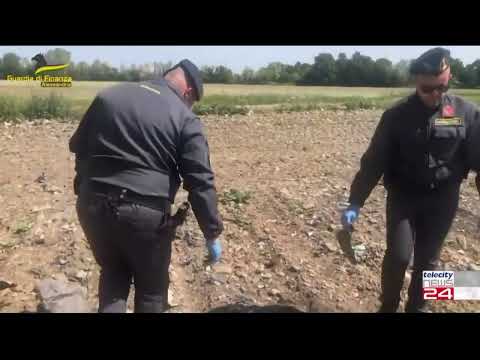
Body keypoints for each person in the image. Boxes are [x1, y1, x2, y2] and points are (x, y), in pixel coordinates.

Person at [69, 59, 224, 313]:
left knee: (113, 274)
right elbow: (200, 181)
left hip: (92, 206)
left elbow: (78, 146)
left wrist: (85, 188)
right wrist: (211, 233)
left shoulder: (109, 96)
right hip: (144, 215)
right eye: (192, 100)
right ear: (188, 92)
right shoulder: (185, 117)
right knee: (152, 291)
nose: (190, 105)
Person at [341, 48, 480, 312]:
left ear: (449, 78)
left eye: (442, 87)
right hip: (404, 196)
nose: (435, 94)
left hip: (443, 198)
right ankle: (389, 305)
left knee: (429, 261)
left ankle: (418, 308)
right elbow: (373, 163)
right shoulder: (396, 117)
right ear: (416, 81)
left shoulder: (465, 113)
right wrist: (354, 204)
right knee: (399, 256)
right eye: (428, 89)